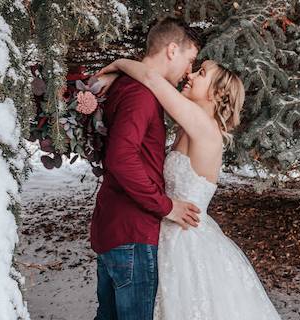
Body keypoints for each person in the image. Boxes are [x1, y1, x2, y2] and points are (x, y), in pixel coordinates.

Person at [94, 56, 282, 318]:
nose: (190, 75)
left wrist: (118, 64)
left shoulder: (205, 129)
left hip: (186, 241)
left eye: (201, 73)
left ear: (217, 93)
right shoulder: (188, 128)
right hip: (167, 228)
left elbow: (151, 79)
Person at [90, 17, 202, 320]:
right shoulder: (141, 94)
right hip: (132, 232)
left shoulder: (127, 86)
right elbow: (121, 158)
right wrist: (166, 206)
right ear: (171, 50)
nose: (188, 71)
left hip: (115, 225)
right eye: (190, 60)